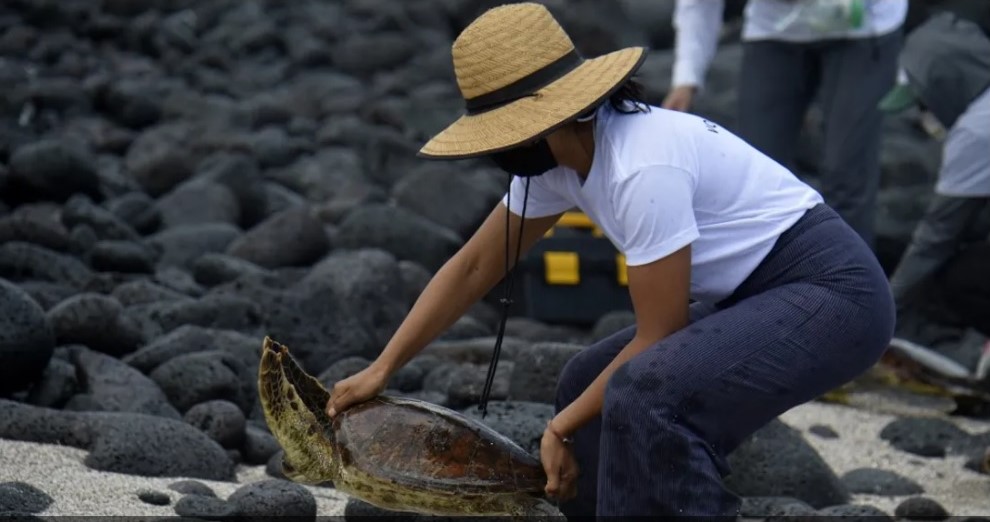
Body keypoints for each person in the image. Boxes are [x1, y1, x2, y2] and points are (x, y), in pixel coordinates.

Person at [325, 2, 896, 517]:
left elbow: (659, 334)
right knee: (584, 383)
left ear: (547, 121)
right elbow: (477, 266)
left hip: (834, 293)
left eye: (502, 137)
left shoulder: (641, 167)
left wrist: (559, 427)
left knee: (646, 394)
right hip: (754, 294)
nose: (499, 152)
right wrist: (384, 366)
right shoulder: (559, 163)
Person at [663, 0, 906, 251]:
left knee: (846, 173)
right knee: (757, 172)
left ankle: (852, 284)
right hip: (773, 31)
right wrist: (686, 79)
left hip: (864, 26)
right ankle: (777, 281)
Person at [880, 6, 990, 336]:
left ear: (947, 84)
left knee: (960, 277)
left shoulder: (977, 131)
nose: (925, 116)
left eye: (925, 103)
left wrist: (878, 313)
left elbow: (935, 238)